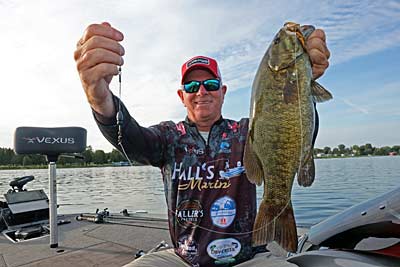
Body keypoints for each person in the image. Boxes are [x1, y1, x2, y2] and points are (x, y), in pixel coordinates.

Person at [74, 22, 330, 267]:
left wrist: (301, 84)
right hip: (183, 259)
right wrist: (98, 97)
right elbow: (130, 139)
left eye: (210, 84)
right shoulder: (168, 136)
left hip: (249, 258)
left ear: (223, 91)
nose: (201, 91)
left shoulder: (247, 132)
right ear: (181, 95)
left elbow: (291, 129)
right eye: (192, 85)